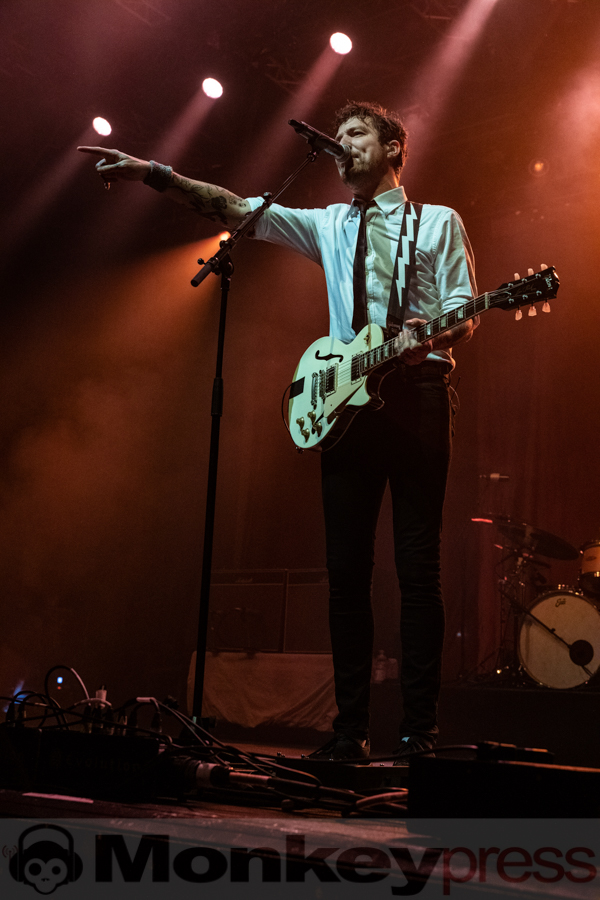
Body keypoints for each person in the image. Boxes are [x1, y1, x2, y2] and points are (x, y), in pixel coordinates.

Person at [78, 100, 477, 764]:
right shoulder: (328, 224)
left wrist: (429, 337)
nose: (342, 144)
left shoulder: (438, 222)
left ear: (394, 148)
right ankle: (349, 733)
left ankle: (420, 735)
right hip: (346, 402)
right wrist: (154, 173)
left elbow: (465, 310)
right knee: (346, 574)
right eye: (338, 136)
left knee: (418, 569)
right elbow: (237, 209)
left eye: (356, 134)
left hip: (421, 396)